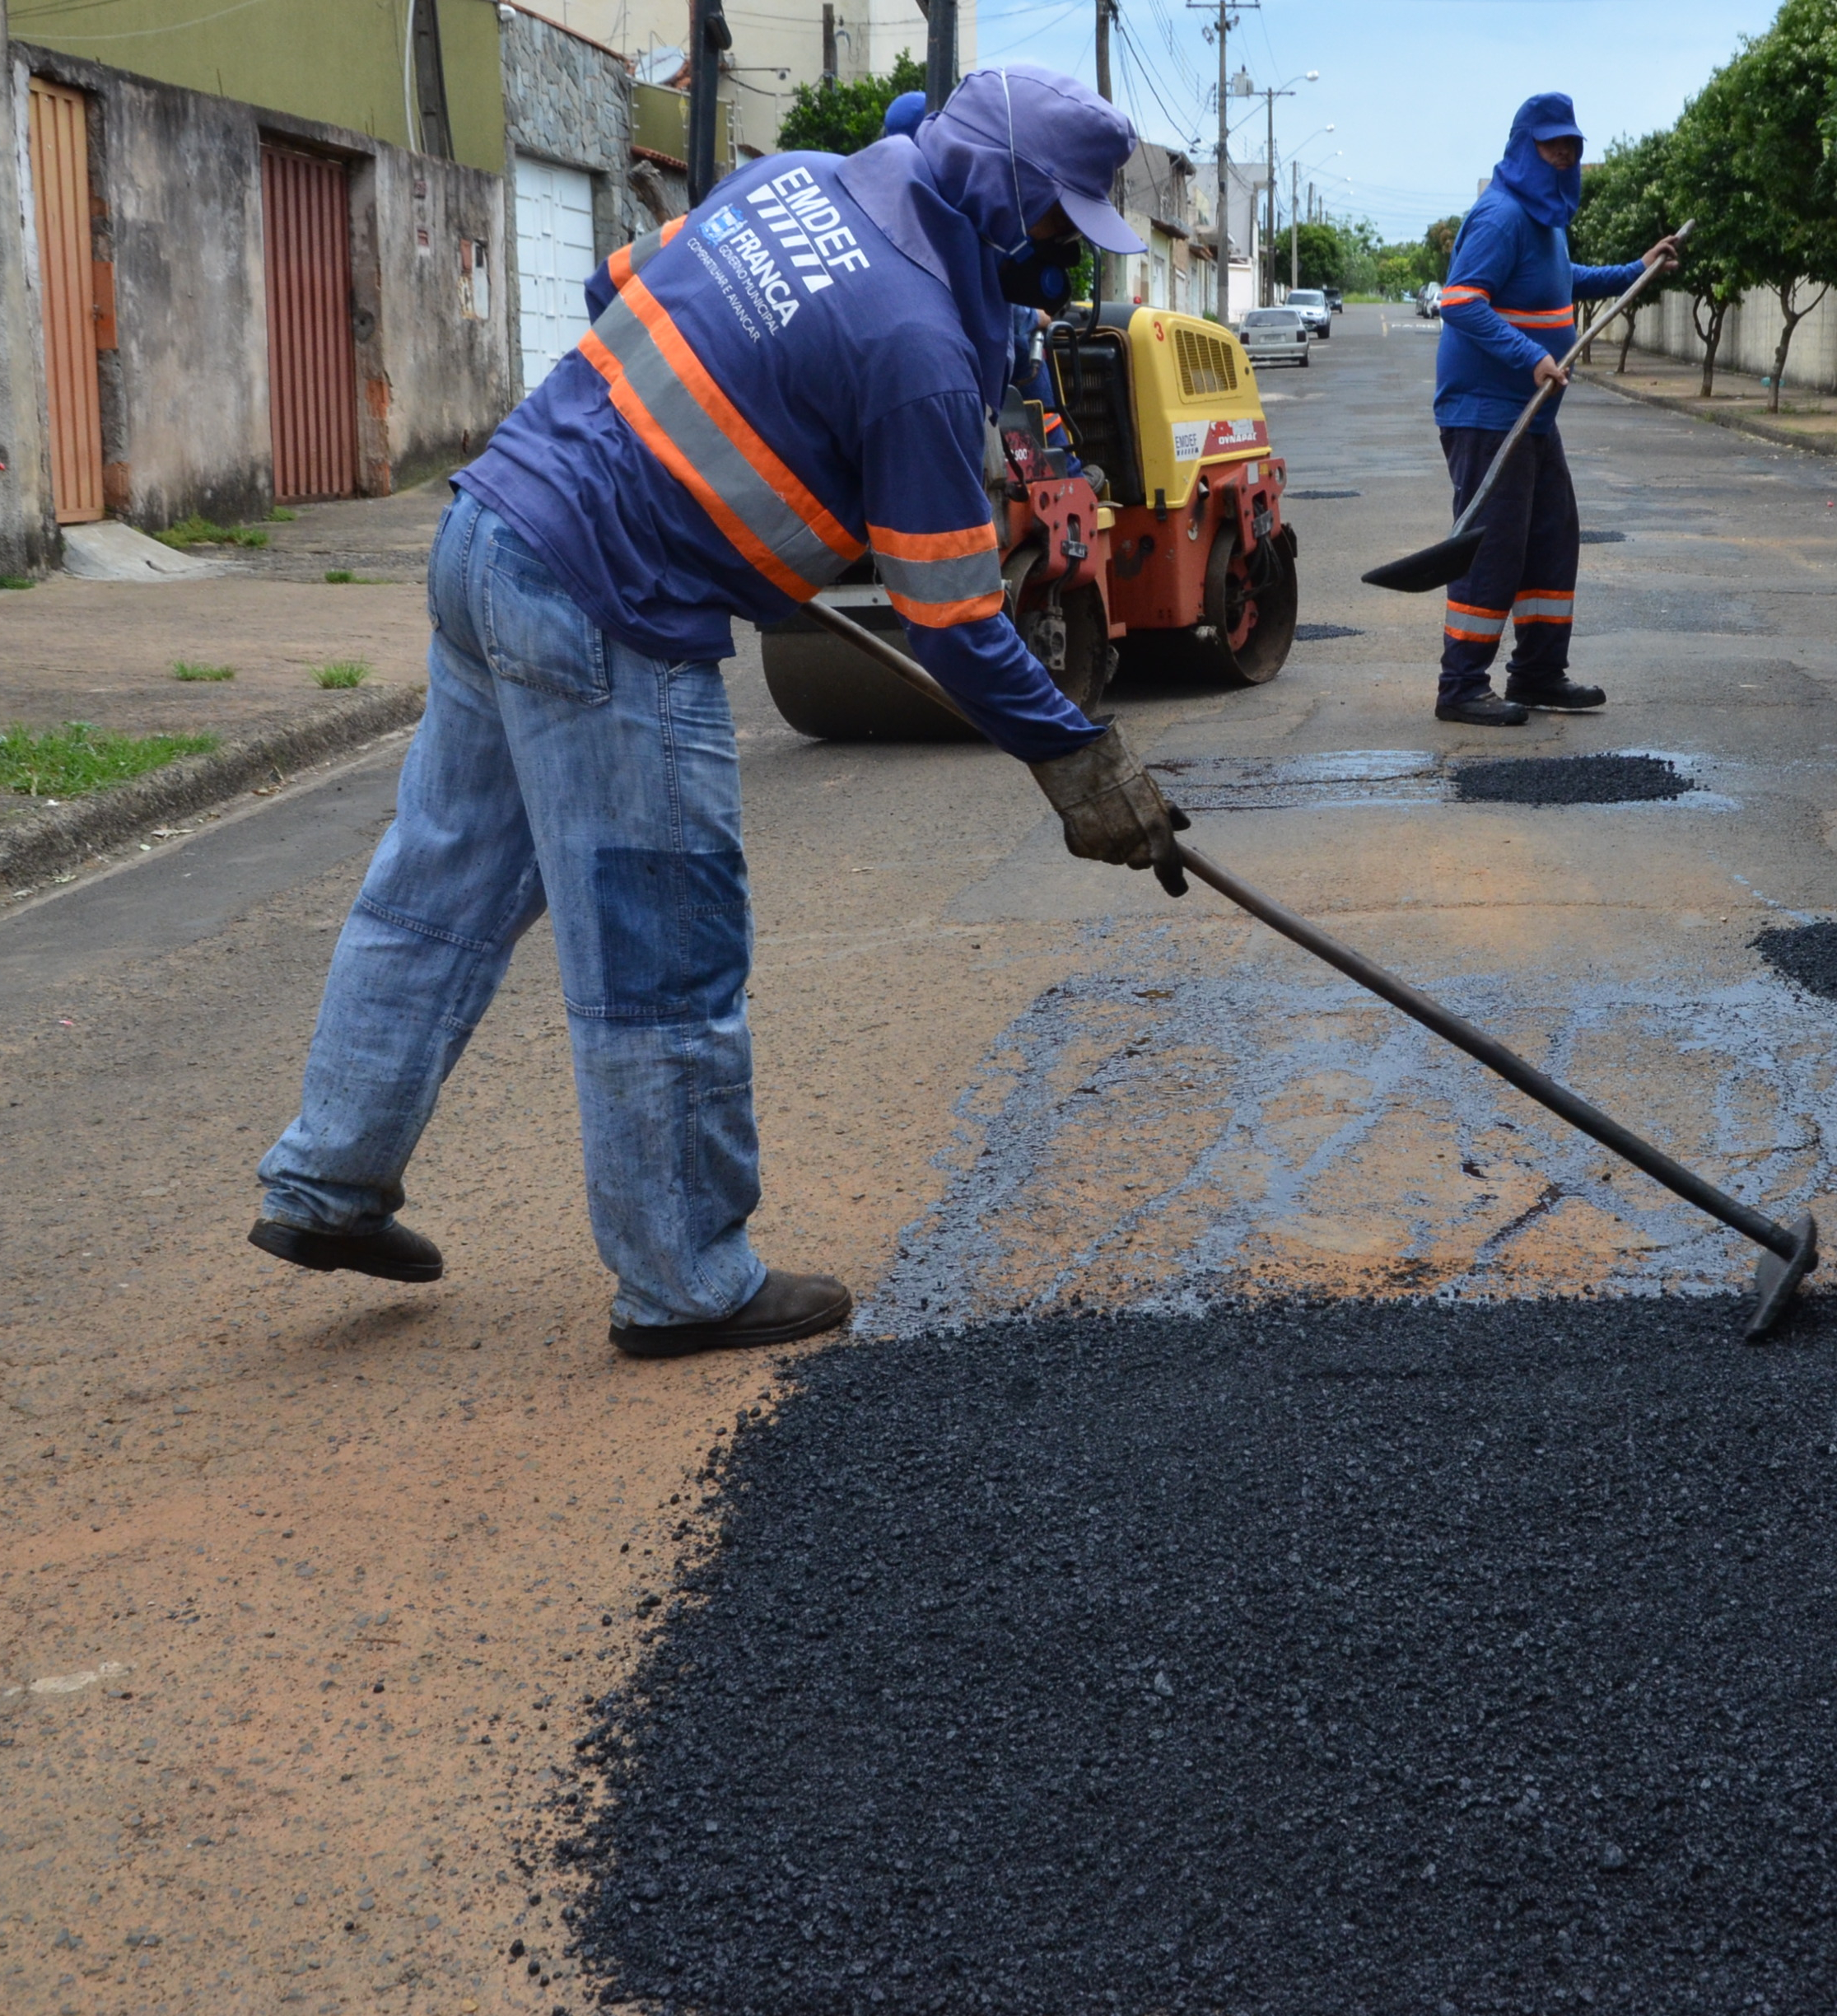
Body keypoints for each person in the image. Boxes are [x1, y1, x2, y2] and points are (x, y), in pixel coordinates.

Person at [246, 69, 1186, 1360]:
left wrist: (742, 478)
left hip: (490, 533)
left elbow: (615, 295)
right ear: (1013, 209)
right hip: (608, 607)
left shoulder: (788, 183)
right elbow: (960, 620)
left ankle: (326, 1181)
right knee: (664, 946)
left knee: (435, 892)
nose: (1073, 257)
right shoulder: (917, 348)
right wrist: (1083, 763)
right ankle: (686, 1279)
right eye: (1069, 226)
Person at [1429, 95, 1680, 727]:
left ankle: (1538, 674)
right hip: (1490, 412)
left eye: (1571, 146)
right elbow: (1460, 300)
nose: (1563, 155)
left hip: (1534, 411)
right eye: (1551, 145)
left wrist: (1636, 269)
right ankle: (1461, 686)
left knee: (1550, 541)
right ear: (1524, 147)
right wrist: (1529, 357)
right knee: (1494, 548)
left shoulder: (1545, 222)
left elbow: (1564, 281)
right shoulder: (1501, 216)